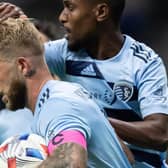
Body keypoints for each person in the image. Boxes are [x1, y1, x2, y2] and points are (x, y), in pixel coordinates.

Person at [0, 1, 168, 167]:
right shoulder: (64, 53)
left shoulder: (143, 63)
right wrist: (19, 21)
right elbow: (21, 55)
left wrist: (93, 119)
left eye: (70, 7)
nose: (62, 17)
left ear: (101, 12)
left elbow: (161, 135)